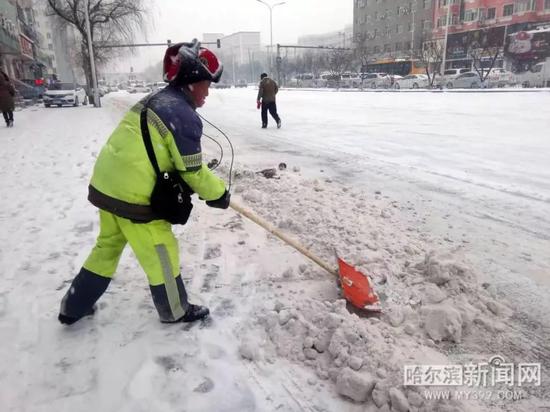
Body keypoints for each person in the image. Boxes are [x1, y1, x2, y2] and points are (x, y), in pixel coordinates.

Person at [58, 40, 231, 326]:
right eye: (206, 83)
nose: (208, 91)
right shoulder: (182, 115)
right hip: (133, 197)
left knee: (107, 247)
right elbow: (193, 172)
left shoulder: (156, 100)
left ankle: (73, 306)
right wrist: (219, 194)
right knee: (161, 251)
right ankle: (175, 310)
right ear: (190, 83)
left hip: (107, 185)